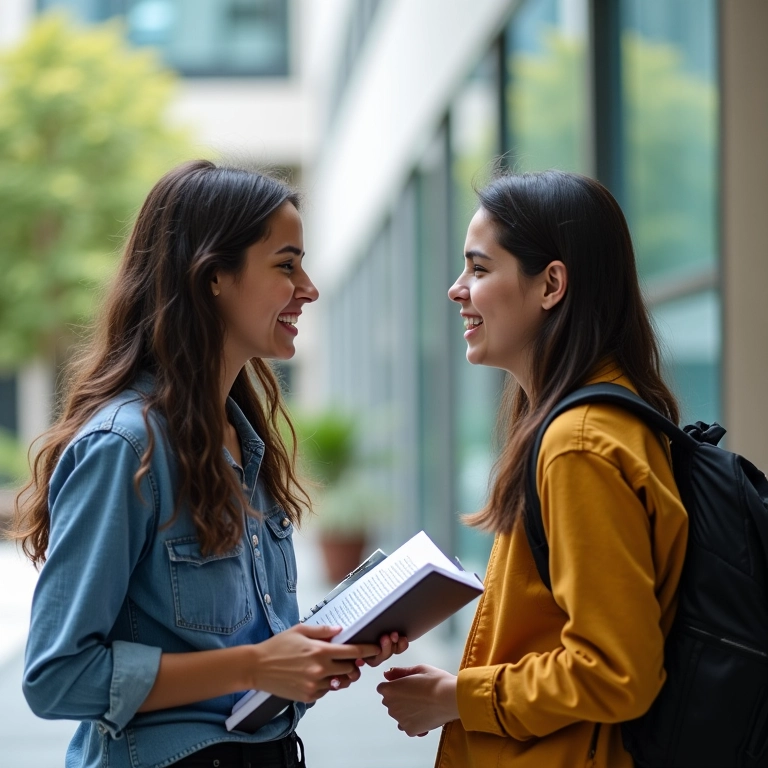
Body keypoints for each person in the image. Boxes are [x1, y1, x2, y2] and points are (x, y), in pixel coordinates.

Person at [13, 159, 407, 768]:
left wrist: (319, 652)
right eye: (286, 264)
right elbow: (57, 677)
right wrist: (256, 665)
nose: (309, 287)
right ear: (214, 276)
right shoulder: (124, 448)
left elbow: (239, 645)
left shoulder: (244, 442)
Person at [377, 170, 688, 768]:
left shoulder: (579, 444)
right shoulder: (590, 421)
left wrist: (455, 698)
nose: (456, 289)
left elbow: (615, 672)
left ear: (551, 284)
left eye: (479, 268)